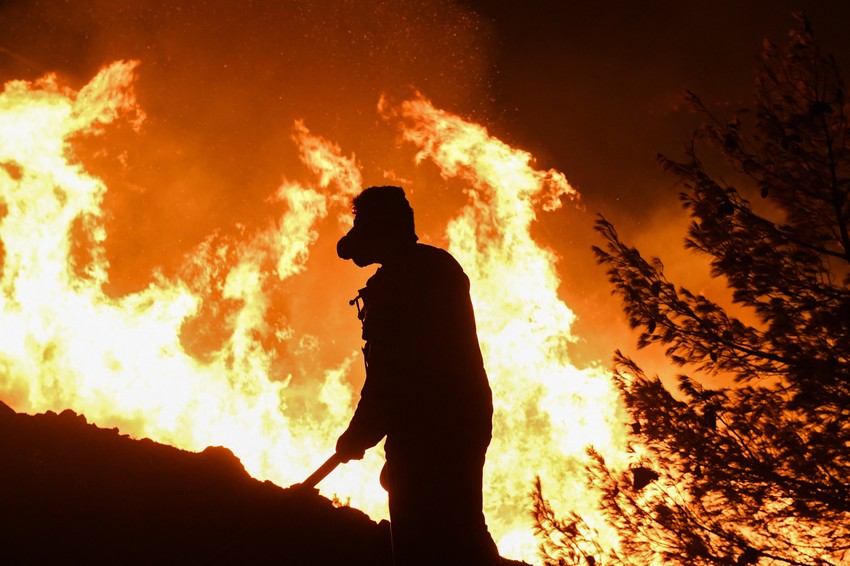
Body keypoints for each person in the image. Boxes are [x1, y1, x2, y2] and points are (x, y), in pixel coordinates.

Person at [335, 186, 501, 565]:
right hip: (465, 418)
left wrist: (357, 436)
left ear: (383, 229)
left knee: (418, 541)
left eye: (363, 225)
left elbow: (391, 377)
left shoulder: (399, 284)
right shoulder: (438, 266)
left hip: (427, 428)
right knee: (463, 527)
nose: (356, 235)